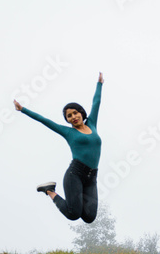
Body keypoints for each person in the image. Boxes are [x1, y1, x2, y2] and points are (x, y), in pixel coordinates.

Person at [13, 72, 104, 223]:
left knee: (89, 217)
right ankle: (49, 190)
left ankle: (58, 192)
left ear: (81, 113)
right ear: (67, 120)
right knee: (73, 214)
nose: (73, 117)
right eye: (69, 116)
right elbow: (44, 120)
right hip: (75, 174)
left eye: (75, 113)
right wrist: (22, 109)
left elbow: (96, 103)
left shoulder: (92, 124)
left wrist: (99, 84)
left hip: (92, 177)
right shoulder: (68, 132)